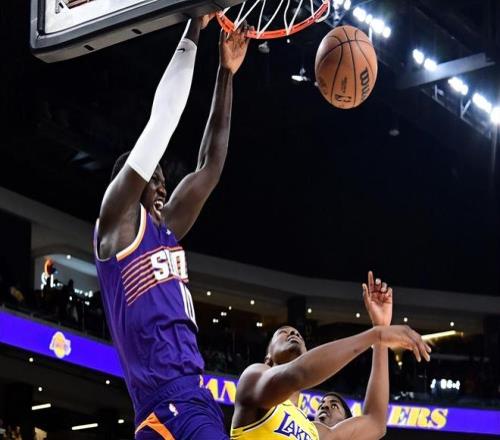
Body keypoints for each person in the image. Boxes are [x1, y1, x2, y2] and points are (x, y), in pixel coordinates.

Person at [93, 15, 250, 439]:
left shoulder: (166, 229)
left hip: (181, 400)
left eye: (164, 180)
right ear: (129, 181)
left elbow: (209, 167)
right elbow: (162, 121)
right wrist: (194, 23)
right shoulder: (117, 223)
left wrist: (226, 74)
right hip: (169, 402)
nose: (162, 185)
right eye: (154, 178)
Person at [231, 272, 431, 440]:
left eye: (299, 334)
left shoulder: (316, 432)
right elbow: (299, 373)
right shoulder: (253, 378)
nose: (294, 334)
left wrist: (381, 335)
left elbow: (376, 422)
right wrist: (376, 334)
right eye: (283, 332)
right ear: (267, 358)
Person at [313, 272, 393, 439]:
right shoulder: (302, 430)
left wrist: (381, 330)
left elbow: (376, 420)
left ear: (348, 422)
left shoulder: (339, 435)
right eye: (321, 405)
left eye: (334, 405)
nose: (324, 407)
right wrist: (378, 334)